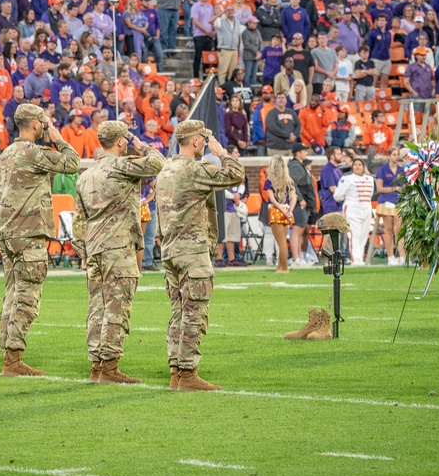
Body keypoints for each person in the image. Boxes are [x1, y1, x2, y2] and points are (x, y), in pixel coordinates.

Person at [0, 103, 80, 376]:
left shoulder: (4, 155)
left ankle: (7, 347)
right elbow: (72, 163)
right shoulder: (33, 152)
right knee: (27, 297)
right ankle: (14, 358)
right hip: (28, 234)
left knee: (12, 293)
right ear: (34, 124)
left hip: (7, 233)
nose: (45, 126)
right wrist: (59, 139)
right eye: (43, 122)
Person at [156, 119, 244, 391]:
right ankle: (187, 373)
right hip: (192, 251)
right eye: (203, 140)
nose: (205, 143)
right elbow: (236, 175)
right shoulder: (196, 169)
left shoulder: (165, 169)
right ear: (195, 141)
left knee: (179, 311)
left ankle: (176, 368)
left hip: (170, 249)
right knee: (195, 312)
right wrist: (222, 154)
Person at [74, 121, 164, 385]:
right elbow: (158, 163)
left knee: (97, 307)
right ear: (121, 141)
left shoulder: (86, 174)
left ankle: (97, 364)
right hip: (118, 246)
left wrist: (83, 250)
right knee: (117, 306)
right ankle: (110, 366)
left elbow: (79, 219)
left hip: (94, 247)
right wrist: (142, 144)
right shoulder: (121, 167)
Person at [334, 157, 376, 266]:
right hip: (352, 208)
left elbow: (371, 194)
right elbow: (338, 195)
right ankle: (355, 259)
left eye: (360, 165)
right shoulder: (347, 179)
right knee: (354, 234)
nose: (357, 167)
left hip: (366, 208)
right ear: (352, 167)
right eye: (355, 164)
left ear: (363, 167)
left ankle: (360, 258)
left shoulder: (370, 179)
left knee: (364, 234)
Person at [263, 155, 296, 273]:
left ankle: (285, 268)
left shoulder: (269, 181)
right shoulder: (289, 180)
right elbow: (294, 198)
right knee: (282, 240)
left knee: (281, 242)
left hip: (276, 211)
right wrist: (289, 211)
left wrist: (282, 211)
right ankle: (279, 267)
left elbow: (272, 199)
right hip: (286, 210)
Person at [375, 147, 406, 266]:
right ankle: (390, 256)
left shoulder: (401, 170)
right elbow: (379, 188)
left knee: (399, 229)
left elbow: (405, 186)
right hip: (386, 201)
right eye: (394, 154)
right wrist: (394, 188)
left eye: (397, 154)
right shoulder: (382, 170)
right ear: (388, 156)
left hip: (398, 201)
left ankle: (403, 256)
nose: (396, 156)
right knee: (388, 229)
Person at [287, 143, 316, 266]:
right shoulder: (296, 166)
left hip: (303, 202)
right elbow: (292, 183)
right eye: (304, 151)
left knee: (300, 230)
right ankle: (295, 258)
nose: (306, 153)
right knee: (297, 230)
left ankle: (298, 257)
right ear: (298, 153)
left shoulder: (299, 165)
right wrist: (300, 199)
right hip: (300, 204)